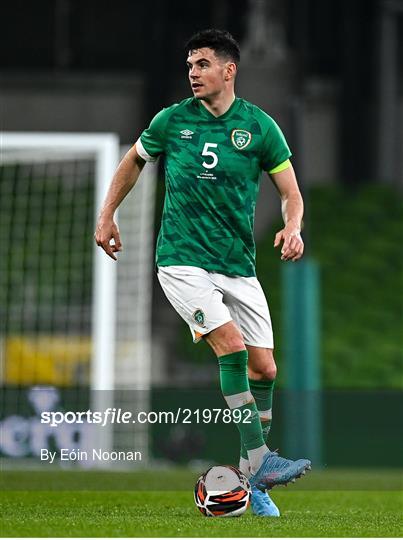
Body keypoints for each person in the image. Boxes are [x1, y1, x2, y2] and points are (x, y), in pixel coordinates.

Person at [95, 29, 310, 517]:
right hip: (182, 259)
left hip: (238, 265)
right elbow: (134, 161)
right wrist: (107, 214)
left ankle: (250, 482)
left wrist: (292, 227)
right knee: (231, 347)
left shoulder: (259, 127)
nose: (193, 73)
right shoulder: (172, 121)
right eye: (190, 65)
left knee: (265, 369)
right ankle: (260, 460)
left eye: (203, 64)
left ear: (229, 70)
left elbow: (291, 193)